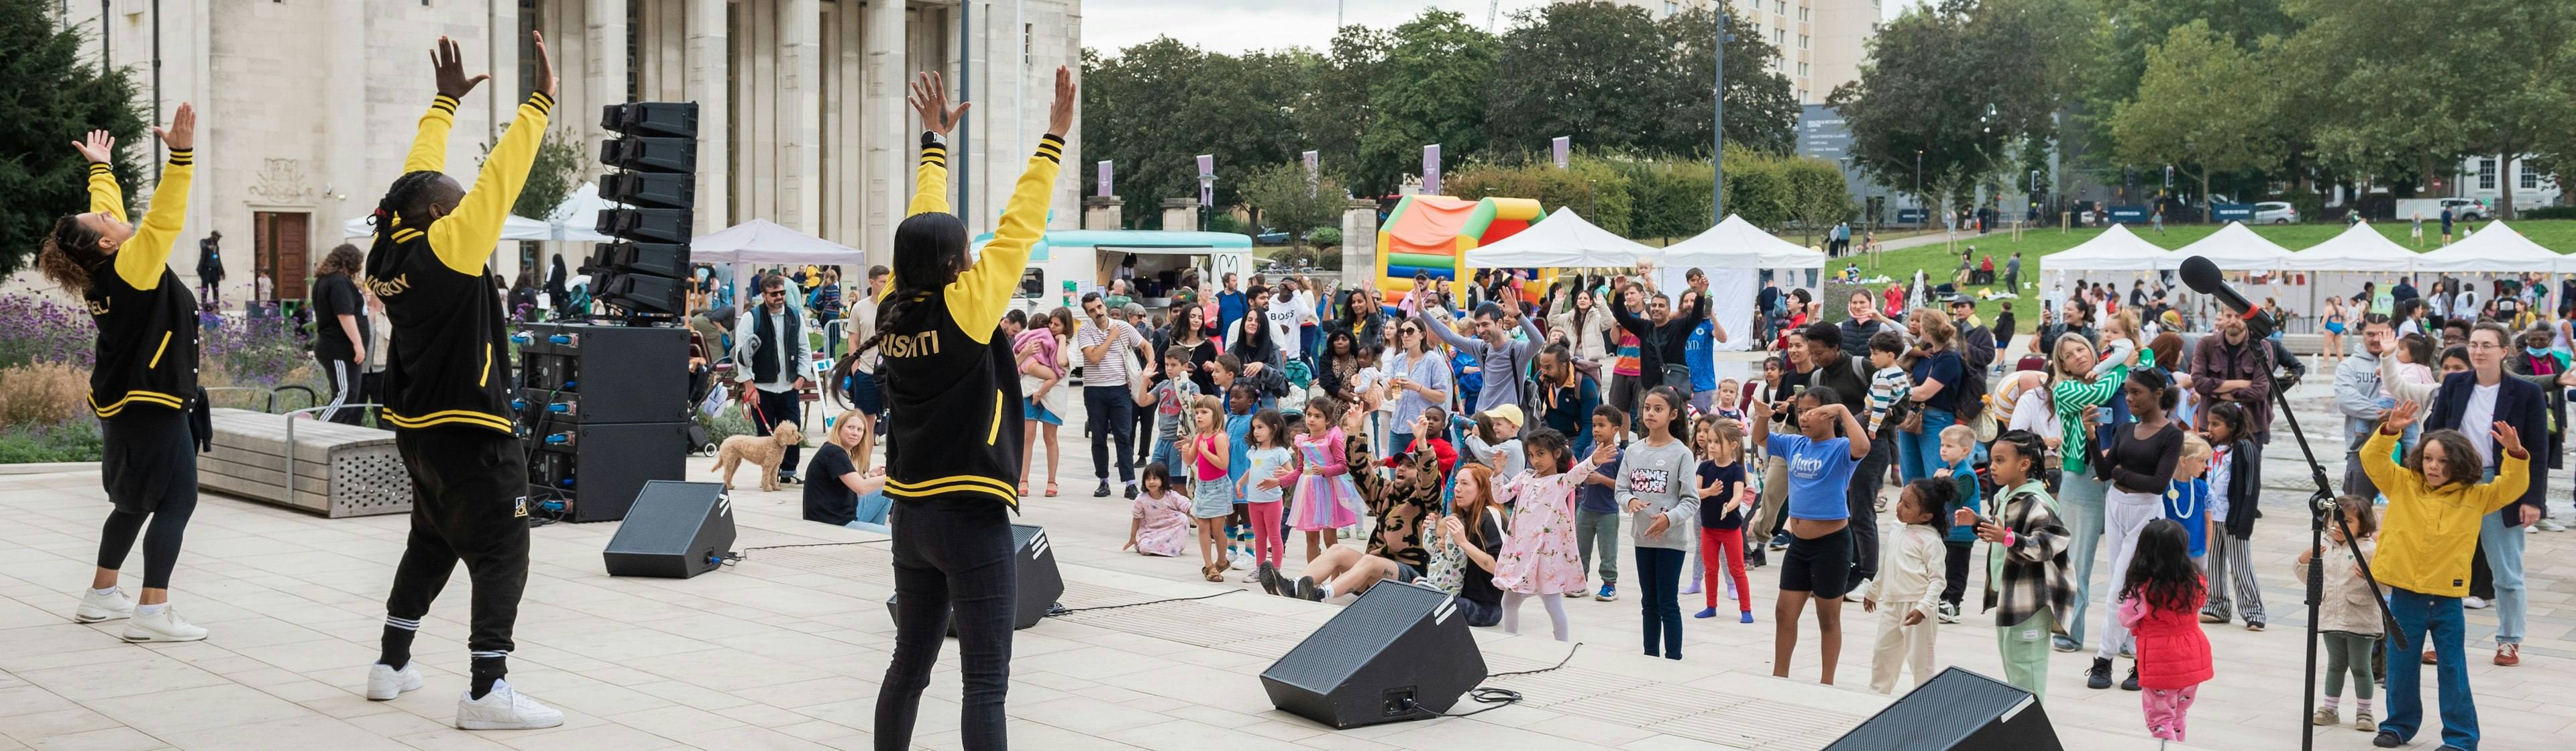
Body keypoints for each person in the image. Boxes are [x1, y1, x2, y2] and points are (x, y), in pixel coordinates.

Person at [833, 66, 1071, 750]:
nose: (974, 255)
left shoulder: (894, 309)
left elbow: (920, 224)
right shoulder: (968, 310)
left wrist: (934, 144)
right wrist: (1053, 137)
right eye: (964, 251)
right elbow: (1021, 223)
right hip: (969, 517)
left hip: (910, 517)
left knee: (908, 666)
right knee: (986, 683)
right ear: (952, 264)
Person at [354, 36, 561, 728]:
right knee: (504, 546)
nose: (470, 200)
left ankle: (391, 662)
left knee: (433, 538)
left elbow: (414, 178)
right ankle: (485, 689)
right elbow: (502, 175)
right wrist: (538, 104)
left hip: (419, 429)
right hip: (471, 429)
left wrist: (443, 105)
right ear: (441, 217)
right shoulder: (449, 246)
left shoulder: (387, 246)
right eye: (458, 199)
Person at [47, 106, 206, 643]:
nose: (114, 217)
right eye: (107, 224)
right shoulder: (132, 265)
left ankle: (101, 594)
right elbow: (163, 218)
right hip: (153, 400)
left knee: (133, 500)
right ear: (109, 244)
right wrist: (180, 157)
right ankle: (152, 611)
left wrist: (101, 170)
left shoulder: (104, 268)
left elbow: (105, 217)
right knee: (178, 501)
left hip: (125, 400)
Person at [2420, 322, 2548, 669]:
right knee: (2442, 564)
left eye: (2487, 345)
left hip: (2502, 483)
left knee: (2506, 568)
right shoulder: (2454, 384)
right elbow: (2436, 434)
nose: (2478, 351)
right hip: (2456, 481)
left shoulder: (2526, 393)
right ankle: (2438, 640)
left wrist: (2533, 499)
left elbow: (2538, 448)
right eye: (2474, 344)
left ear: (2504, 351)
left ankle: (2509, 641)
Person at [1754, 385, 1870, 684]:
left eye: (1812, 411)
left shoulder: (1842, 448)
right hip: (1799, 544)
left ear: (1829, 414)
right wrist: (1763, 417)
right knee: (1784, 612)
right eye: (1801, 411)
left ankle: (1827, 681)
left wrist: (1843, 409)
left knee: (1828, 617)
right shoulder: (1795, 444)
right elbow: (1761, 438)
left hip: (1832, 545)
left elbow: (1864, 446)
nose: (1803, 418)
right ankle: (1780, 675)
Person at [2082, 368, 2184, 691]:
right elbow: (2102, 470)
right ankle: (2139, 658)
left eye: (2137, 392)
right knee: (2121, 583)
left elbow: (2157, 485)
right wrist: (2092, 439)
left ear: (2157, 393)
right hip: (2115, 508)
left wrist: (2117, 472)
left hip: (2146, 515)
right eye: (2127, 392)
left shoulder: (2172, 434)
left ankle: (2104, 660)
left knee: (2121, 590)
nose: (2130, 399)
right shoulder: (2125, 429)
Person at [1971, 430, 2076, 700]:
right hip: (2011, 598)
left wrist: (2007, 538)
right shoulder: (2006, 497)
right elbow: (2003, 540)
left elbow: (2053, 541)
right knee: (2014, 665)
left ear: (2024, 464)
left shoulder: (2034, 502)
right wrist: (1976, 523)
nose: (1992, 466)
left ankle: (2033, 729)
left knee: (2027, 670)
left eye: (2000, 460)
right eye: (1992, 459)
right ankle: (2024, 722)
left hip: (2031, 602)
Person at [2046, 334, 2127, 654]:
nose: (2078, 356)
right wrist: (2121, 368)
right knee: (2076, 556)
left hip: (2122, 471)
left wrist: (2117, 366)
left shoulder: (2117, 377)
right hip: (2082, 476)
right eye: (2069, 355)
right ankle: (2069, 631)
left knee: (2128, 558)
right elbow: (2100, 391)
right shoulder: (2065, 389)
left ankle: (2129, 636)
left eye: (2082, 349)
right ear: (2062, 364)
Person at [1281, 445, 1442, 601]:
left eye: (1410, 466)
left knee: (1369, 561)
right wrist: (1355, 431)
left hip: (1410, 576)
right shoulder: (1387, 491)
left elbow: (1430, 482)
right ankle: (1293, 587)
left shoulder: (1427, 501)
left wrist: (1421, 443)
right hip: (1376, 572)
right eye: (1400, 464)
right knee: (1337, 550)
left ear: (1420, 473)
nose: (1401, 468)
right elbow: (1361, 475)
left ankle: (1322, 594)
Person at [1621, 387, 1701, 660]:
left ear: (1673, 414)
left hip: (1671, 542)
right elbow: (1621, 490)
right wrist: (1629, 501)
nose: (1651, 414)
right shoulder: (1633, 451)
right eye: (1647, 408)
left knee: (1668, 603)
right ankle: (1650, 656)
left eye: (1658, 409)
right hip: (1642, 538)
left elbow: (1691, 500)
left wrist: (1669, 519)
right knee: (1648, 603)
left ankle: (1674, 659)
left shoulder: (1681, 453)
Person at [2121, 519, 2214, 744]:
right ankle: (2178, 746)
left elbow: (2126, 618)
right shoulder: (2196, 580)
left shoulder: (2144, 588)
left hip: (2160, 660)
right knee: (2179, 714)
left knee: (2160, 719)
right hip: (2193, 654)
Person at [2301, 495, 2383, 732]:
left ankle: (2365, 712)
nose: (2337, 525)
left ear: (2363, 525)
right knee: (2335, 665)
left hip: (2361, 618)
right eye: (2334, 519)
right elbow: (2310, 581)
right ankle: (2330, 708)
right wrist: (2303, 561)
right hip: (2331, 615)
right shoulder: (2323, 545)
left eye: (2347, 521)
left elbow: (2387, 586)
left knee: (2361, 666)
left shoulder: (2369, 549)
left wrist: (2373, 578)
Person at [1863, 479, 1950, 695]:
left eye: (1907, 505)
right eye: (1901, 499)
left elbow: (1938, 580)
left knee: (1922, 664)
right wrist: (1874, 591)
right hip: (1892, 605)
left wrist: (1924, 608)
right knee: (1883, 656)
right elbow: (1887, 564)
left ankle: (1925, 708)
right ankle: (1875, 699)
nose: (1899, 506)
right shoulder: (1895, 528)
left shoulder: (1931, 541)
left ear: (1926, 516)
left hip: (1917, 608)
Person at [733, 272, 818, 486]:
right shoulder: (752, 318)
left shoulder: (795, 316)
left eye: (782, 292)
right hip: (761, 387)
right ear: (764, 295)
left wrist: (802, 377)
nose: (780, 297)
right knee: (766, 432)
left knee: (792, 429)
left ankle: (789, 471)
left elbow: (804, 349)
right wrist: (749, 386)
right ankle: (770, 475)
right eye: (774, 294)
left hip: (789, 386)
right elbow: (742, 355)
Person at [1076, 292, 1151, 499]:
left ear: (1105, 306)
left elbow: (1146, 346)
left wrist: (1148, 371)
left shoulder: (1124, 327)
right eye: (1092, 310)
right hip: (1094, 390)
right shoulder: (1085, 331)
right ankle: (1103, 481)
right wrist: (1111, 337)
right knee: (1098, 437)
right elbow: (1093, 357)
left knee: (1124, 436)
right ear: (1087, 313)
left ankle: (1130, 483)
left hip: (1120, 389)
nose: (1098, 312)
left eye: (1099, 307)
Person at [2199, 401, 2266, 630]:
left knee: (2240, 566)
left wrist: (2244, 520)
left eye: (2216, 424)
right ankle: (2217, 606)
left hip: (2234, 518)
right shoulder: (2211, 448)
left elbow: (2250, 487)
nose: (2211, 428)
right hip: (2212, 517)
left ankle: (2253, 611)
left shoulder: (2244, 448)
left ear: (2233, 426)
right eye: (2209, 423)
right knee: (2213, 563)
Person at [1419, 297, 1542, 413]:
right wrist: (1422, 311)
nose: (1481, 330)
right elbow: (1451, 337)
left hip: (1506, 422)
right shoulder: (1482, 348)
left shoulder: (1517, 350)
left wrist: (1519, 315)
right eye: (1478, 326)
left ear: (1499, 323)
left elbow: (1539, 341)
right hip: (1482, 418)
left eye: (1485, 324)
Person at [1285, 397, 1366, 564]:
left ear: (1328, 420)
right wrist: (1278, 482)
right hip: (1308, 491)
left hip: (1327, 490)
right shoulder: (1302, 441)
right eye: (1309, 415)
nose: (1312, 419)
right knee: (1311, 540)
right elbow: (1299, 471)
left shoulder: (1332, 439)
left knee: (1331, 541)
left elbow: (1343, 466)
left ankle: (1334, 579)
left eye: (1318, 416)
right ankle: (1311, 580)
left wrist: (1325, 471)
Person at [1691, 416, 1755, 623]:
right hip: (1708, 528)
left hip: (1730, 529)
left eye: (1717, 442)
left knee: (1737, 569)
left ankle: (1746, 610)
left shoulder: (1737, 469)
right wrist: (1709, 492)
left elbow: (1738, 493)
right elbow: (1694, 492)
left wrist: (1730, 506)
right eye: (1710, 441)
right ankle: (1711, 606)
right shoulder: (1704, 467)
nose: (1712, 446)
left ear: (1733, 445)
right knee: (1711, 569)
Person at [309, 244, 370, 425]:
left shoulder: (326, 280)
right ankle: (318, 431)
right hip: (339, 348)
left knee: (349, 395)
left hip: (338, 348)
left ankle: (333, 435)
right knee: (344, 395)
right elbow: (344, 314)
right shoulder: (338, 282)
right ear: (351, 263)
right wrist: (358, 344)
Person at [804, 410, 892, 533]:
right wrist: (894, 477)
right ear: (839, 428)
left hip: (841, 516)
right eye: (850, 427)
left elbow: (853, 492)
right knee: (895, 536)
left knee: (885, 491)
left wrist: (871, 477)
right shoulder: (834, 453)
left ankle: (873, 535)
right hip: (832, 524)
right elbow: (861, 488)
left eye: (859, 430)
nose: (855, 433)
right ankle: (876, 535)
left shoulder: (834, 451)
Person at [1016, 308, 1073, 497]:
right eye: (1051, 323)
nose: (1052, 328)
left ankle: (1052, 481)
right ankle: (1023, 480)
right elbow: (1013, 364)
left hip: (1053, 397)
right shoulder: (1038, 337)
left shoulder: (1070, 343)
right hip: (1028, 392)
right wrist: (1025, 352)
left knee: (1050, 438)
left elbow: (1062, 361)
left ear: (1066, 326)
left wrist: (1063, 340)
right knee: (1027, 438)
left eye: (1057, 325)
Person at [2339, 315, 2396, 499]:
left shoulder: (2402, 363)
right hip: (2361, 450)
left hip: (2398, 449)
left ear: (2392, 333)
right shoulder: (2349, 366)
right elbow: (2347, 400)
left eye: (2382, 334)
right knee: (2357, 510)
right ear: (2362, 333)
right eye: (2371, 334)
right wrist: (2384, 414)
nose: (2376, 339)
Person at [1577, 406, 1629, 601]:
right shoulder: (1590, 451)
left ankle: (1609, 585)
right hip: (1585, 509)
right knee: (1581, 550)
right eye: (1594, 425)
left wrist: (1602, 479)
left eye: (1602, 425)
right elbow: (1580, 474)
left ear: (1615, 430)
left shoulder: (1620, 456)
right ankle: (1580, 583)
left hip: (1607, 512)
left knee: (1608, 552)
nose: (1596, 430)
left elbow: (1624, 486)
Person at [1181, 395, 1234, 580]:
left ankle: (1221, 561)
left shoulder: (1219, 437)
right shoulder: (1199, 436)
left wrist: (1206, 452)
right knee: (1203, 526)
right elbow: (1191, 461)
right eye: (1197, 413)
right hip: (1203, 487)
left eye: (1204, 412)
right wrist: (1186, 453)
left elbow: (1223, 464)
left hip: (1218, 487)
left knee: (1217, 529)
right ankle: (1209, 565)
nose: (1199, 416)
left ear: (1216, 414)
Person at [1382, 318, 1453, 454]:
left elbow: (1442, 397)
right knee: (1396, 473)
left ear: (1422, 335)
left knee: (1420, 474)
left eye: (1410, 331)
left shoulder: (1433, 360)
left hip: (1422, 429)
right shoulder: (1398, 360)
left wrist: (1417, 387)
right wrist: (1389, 390)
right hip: (1398, 427)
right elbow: (1390, 397)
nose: (1405, 335)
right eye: (1402, 332)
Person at [1934, 425, 1980, 623]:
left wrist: (1942, 482)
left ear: (1965, 451)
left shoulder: (1966, 474)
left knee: (1956, 570)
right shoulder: (1950, 471)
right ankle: (1943, 600)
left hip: (1962, 533)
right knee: (1944, 567)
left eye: (1949, 446)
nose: (1943, 449)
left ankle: (1953, 603)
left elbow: (1955, 499)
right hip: (1949, 532)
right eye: (1942, 445)